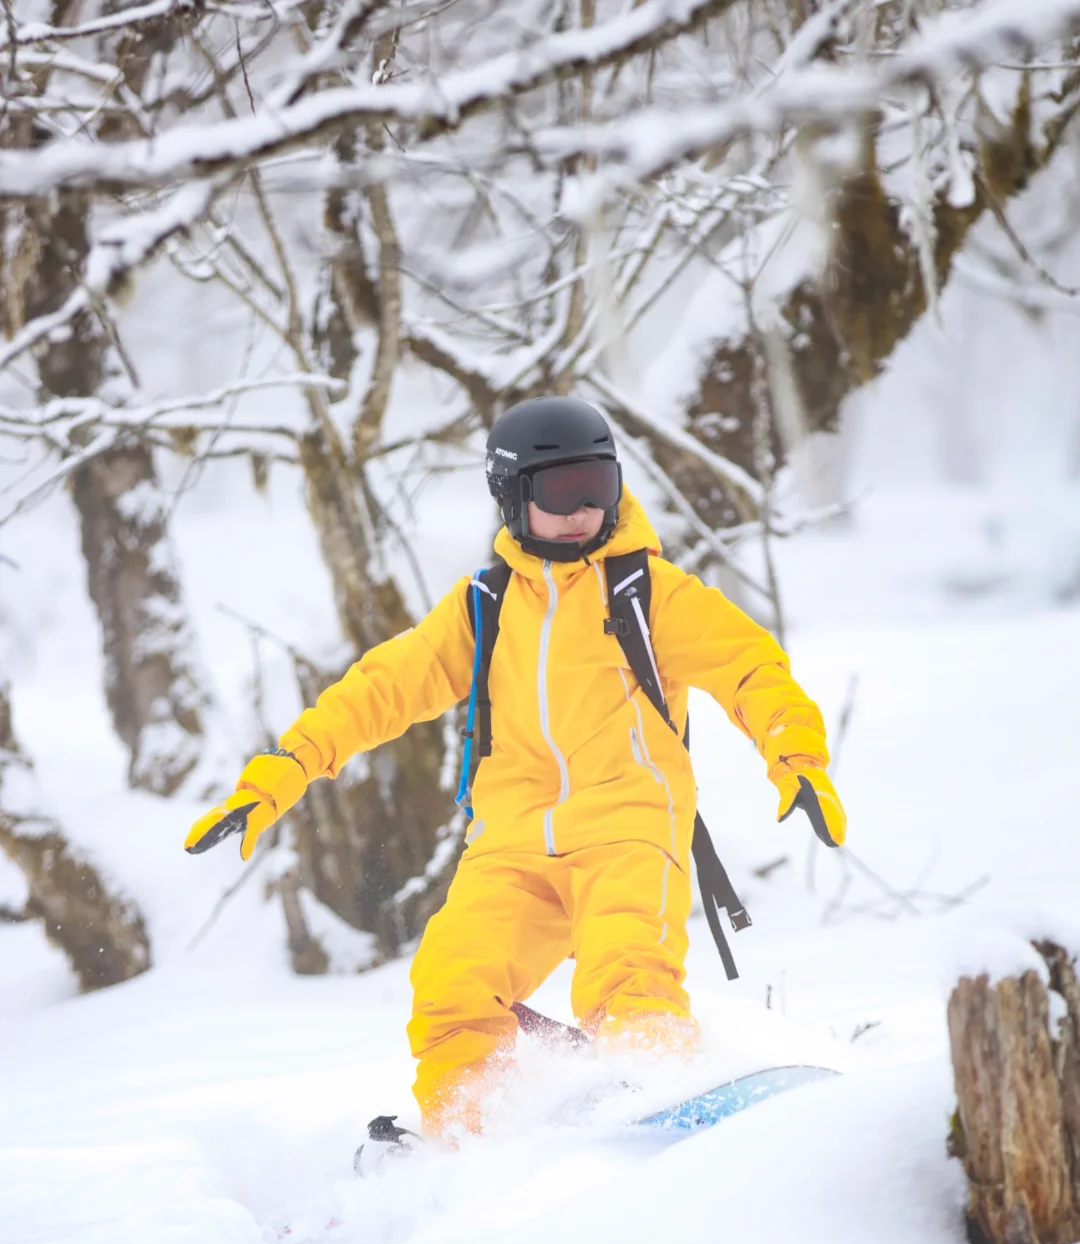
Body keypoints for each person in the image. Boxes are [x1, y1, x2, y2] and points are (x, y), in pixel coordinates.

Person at [185, 396, 845, 1135]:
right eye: (562, 492)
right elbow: (379, 691)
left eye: (599, 484)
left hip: (629, 826)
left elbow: (751, 668)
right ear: (512, 497)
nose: (583, 510)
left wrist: (798, 760)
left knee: (628, 972)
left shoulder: (649, 593)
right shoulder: (484, 608)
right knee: (451, 983)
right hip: (513, 843)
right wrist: (280, 773)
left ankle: (664, 1105)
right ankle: (476, 1134)